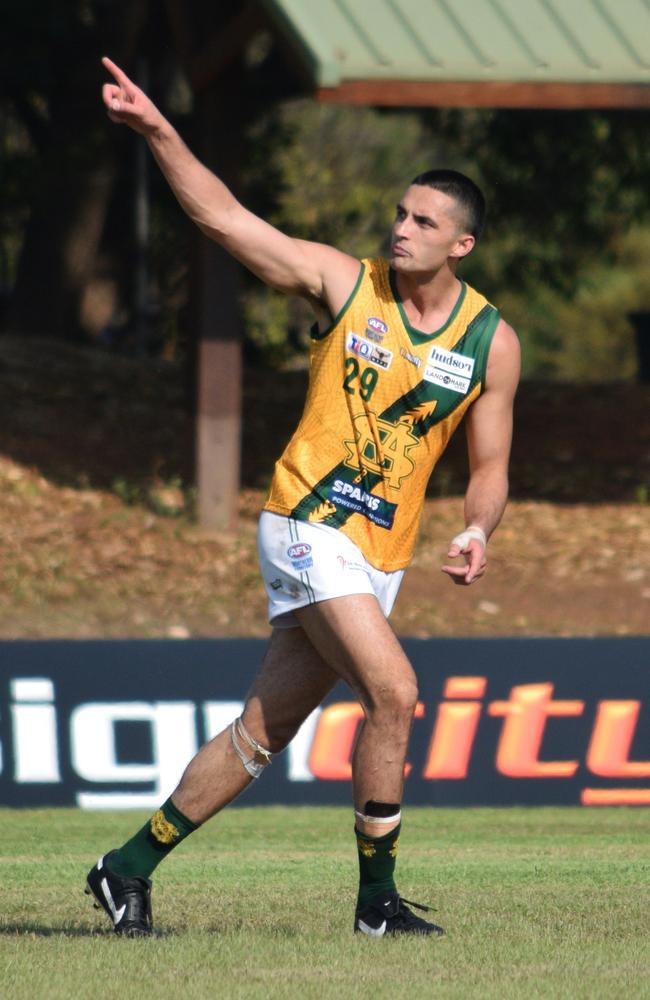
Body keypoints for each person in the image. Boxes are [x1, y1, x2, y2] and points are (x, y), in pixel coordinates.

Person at [87, 56, 520, 939]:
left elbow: (491, 464)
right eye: (399, 212)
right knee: (394, 692)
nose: (400, 228)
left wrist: (479, 525)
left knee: (262, 733)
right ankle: (376, 907)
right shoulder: (342, 280)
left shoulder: (492, 341)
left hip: (379, 557)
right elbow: (224, 218)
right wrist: (160, 129)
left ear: (461, 245)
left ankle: (125, 868)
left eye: (423, 221)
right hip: (305, 525)